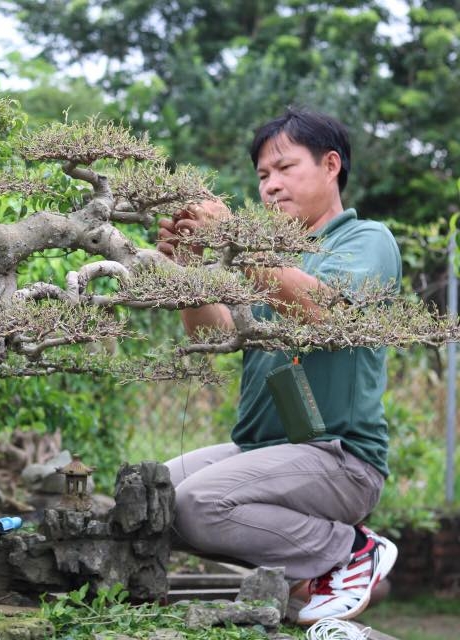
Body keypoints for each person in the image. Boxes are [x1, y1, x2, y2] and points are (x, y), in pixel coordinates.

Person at [156, 108, 401, 625]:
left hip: (339, 456)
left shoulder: (365, 240)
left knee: (198, 504)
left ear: (331, 165)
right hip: (263, 451)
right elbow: (214, 337)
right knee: (150, 498)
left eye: (286, 168)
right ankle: (311, 576)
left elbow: (320, 310)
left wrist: (240, 244)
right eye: (263, 175)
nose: (271, 186)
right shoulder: (268, 257)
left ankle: (349, 549)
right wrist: (185, 271)